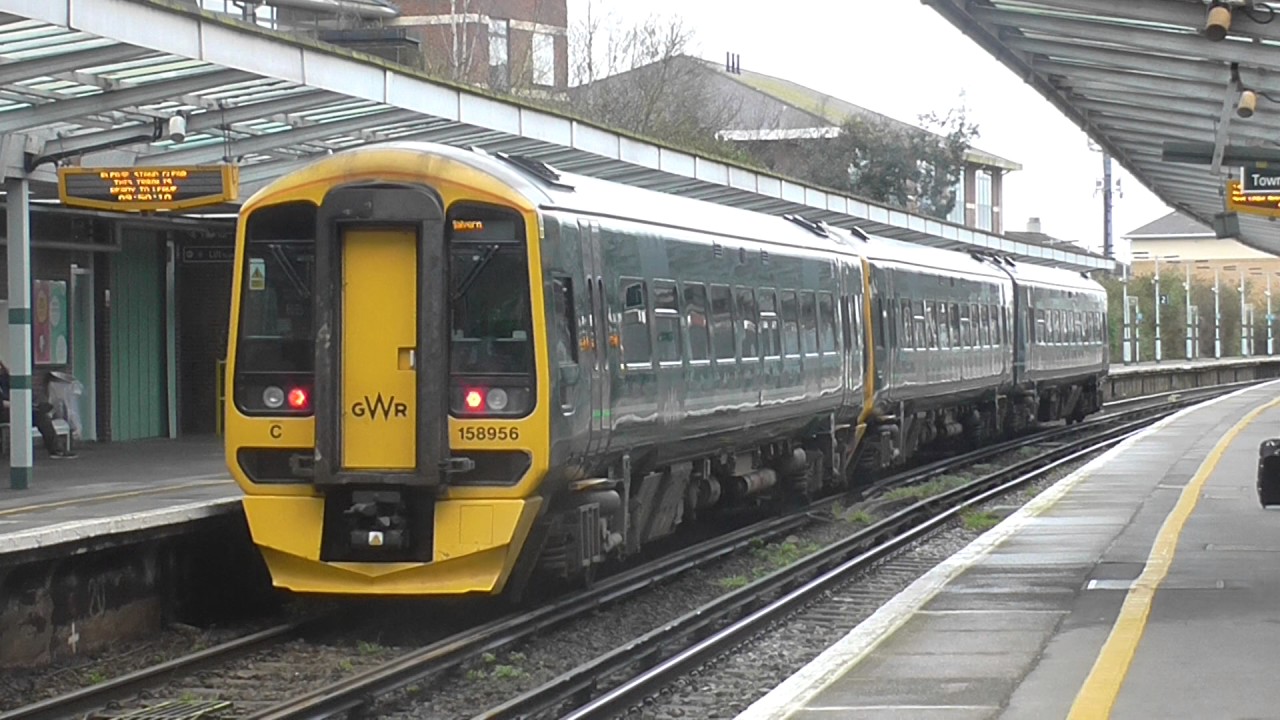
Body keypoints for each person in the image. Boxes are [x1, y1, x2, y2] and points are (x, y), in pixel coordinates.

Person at [0, 360, 75, 459]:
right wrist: (17, 404)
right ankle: (56, 449)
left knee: (41, 413)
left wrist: (9, 375)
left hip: (16, 408)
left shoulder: (4, 380)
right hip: (5, 410)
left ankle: (56, 449)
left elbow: (17, 390)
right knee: (39, 415)